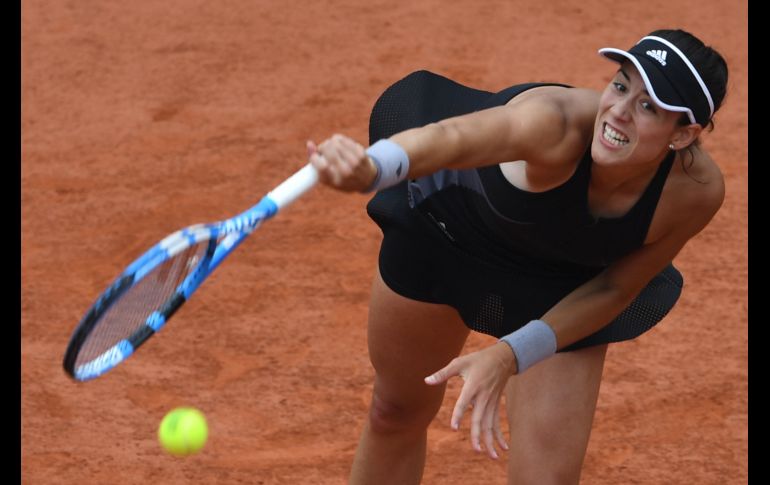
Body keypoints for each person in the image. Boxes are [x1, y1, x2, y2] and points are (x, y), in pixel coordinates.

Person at [307, 29, 728, 484]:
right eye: (621, 85)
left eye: (648, 106)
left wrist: (511, 354)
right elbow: (451, 137)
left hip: (559, 280)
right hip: (448, 232)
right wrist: (373, 168)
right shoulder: (555, 122)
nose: (619, 112)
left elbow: (615, 287)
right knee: (395, 411)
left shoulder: (693, 193)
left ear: (684, 134)